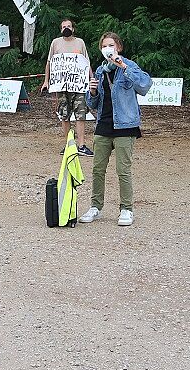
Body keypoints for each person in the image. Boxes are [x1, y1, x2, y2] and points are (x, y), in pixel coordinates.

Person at [78, 32, 152, 226]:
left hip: (125, 125)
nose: (107, 49)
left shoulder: (130, 65)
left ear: (118, 47)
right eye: (104, 46)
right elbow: (93, 103)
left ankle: (126, 209)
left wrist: (124, 67)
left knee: (123, 170)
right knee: (97, 169)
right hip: (103, 124)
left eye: (111, 45)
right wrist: (92, 91)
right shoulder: (101, 71)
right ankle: (96, 206)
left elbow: (144, 85)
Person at [42, 18, 93, 157]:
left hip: (78, 86)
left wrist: (92, 79)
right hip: (61, 86)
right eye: (64, 26)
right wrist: (46, 81)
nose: (66, 28)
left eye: (69, 26)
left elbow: (86, 63)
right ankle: (69, 145)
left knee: (80, 115)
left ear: (73, 29)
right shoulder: (55, 43)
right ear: (60, 29)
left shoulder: (80, 42)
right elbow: (49, 63)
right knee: (64, 115)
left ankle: (81, 145)